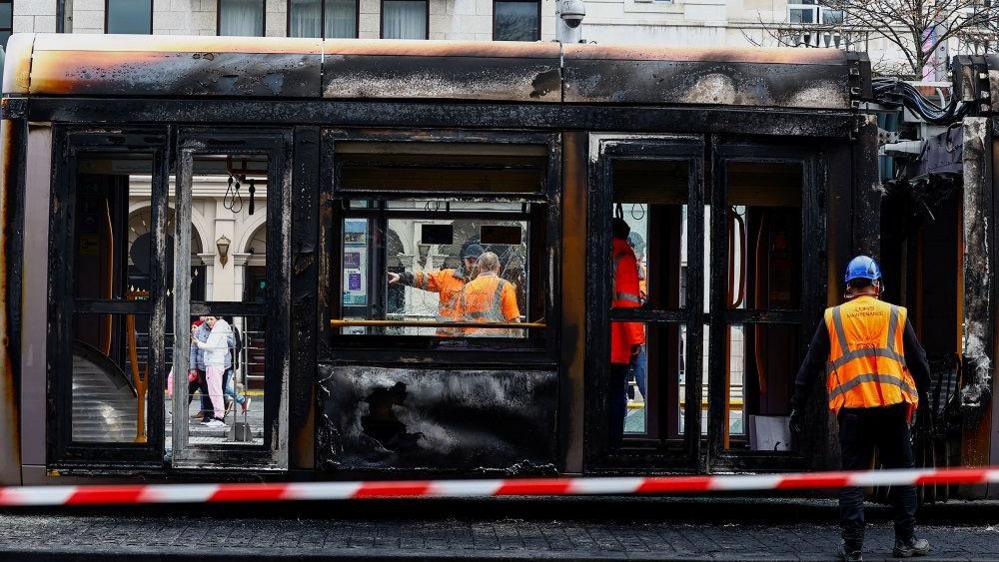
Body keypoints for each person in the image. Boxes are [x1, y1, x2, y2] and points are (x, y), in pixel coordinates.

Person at [789, 256, 932, 561]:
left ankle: (853, 547)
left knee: (853, 476)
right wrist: (924, 392)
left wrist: (797, 405)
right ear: (878, 284)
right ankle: (905, 541)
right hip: (892, 408)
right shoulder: (895, 314)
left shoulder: (834, 317)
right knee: (903, 474)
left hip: (853, 410)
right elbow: (919, 362)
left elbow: (811, 364)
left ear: (847, 288)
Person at [388, 243, 484, 335]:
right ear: (464, 261)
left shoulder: (488, 283)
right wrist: (401, 277)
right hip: (447, 337)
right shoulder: (447, 276)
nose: (473, 265)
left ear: (482, 263)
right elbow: (425, 279)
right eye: (470, 261)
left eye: (477, 261)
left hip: (474, 337)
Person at [610, 218, 645, 443]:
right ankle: (612, 442)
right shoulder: (624, 256)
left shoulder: (592, 250)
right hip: (617, 341)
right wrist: (636, 340)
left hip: (593, 340)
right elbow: (628, 302)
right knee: (615, 394)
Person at [458, 251, 520, 337]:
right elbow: (514, 321)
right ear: (498, 268)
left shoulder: (466, 288)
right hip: (496, 340)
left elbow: (458, 320)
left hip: (471, 339)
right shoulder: (505, 286)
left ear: (479, 268)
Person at [192, 316, 234, 428]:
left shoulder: (217, 329)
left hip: (214, 363)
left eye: (211, 319)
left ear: (217, 319)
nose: (209, 321)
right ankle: (218, 416)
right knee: (215, 391)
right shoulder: (222, 328)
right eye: (207, 319)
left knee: (215, 391)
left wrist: (197, 342)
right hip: (216, 362)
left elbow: (210, 346)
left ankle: (219, 417)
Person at [221, 317, 251, 416]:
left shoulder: (231, 329)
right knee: (220, 386)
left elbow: (236, 346)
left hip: (229, 364)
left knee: (223, 386)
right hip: (223, 363)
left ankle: (242, 400)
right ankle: (225, 404)